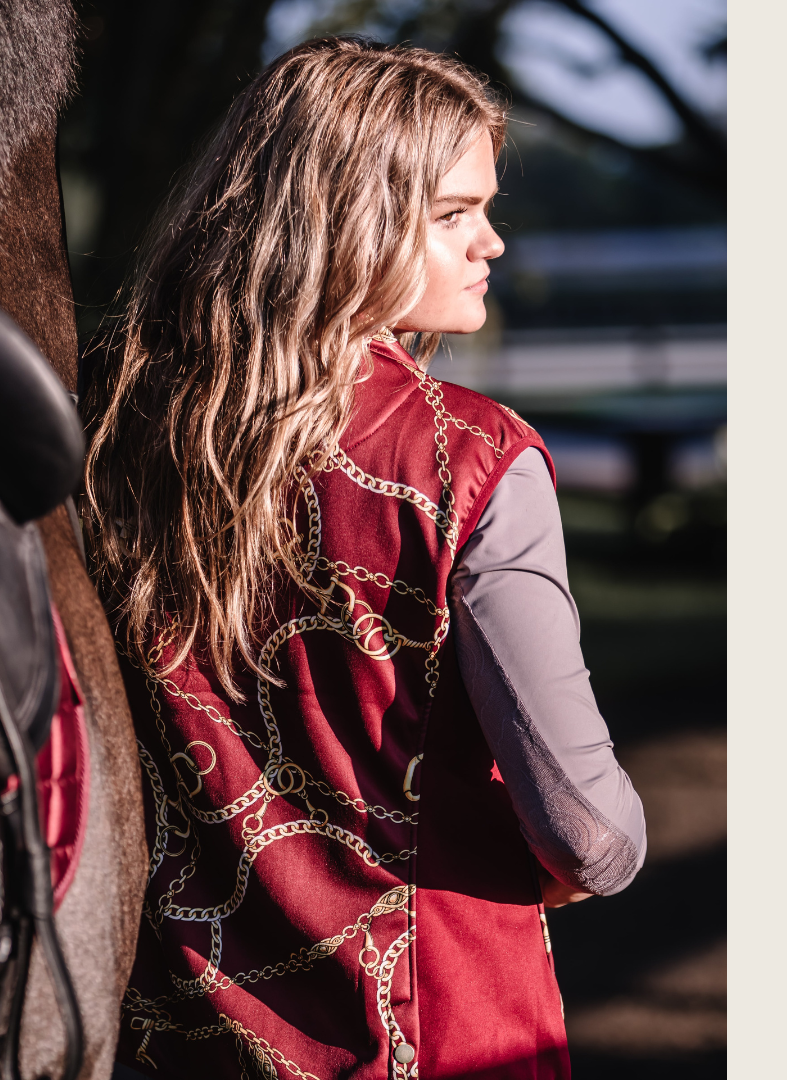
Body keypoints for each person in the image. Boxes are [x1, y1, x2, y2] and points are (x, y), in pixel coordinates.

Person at [84, 37, 646, 1080]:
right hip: (439, 1035)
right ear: (344, 222)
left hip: (180, 1041)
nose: (492, 244)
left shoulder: (116, 440)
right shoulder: (469, 460)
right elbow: (588, 834)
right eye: (452, 214)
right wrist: (587, 847)